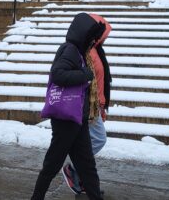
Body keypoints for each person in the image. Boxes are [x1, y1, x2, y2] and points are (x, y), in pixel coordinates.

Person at [31, 13, 106, 200]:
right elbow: (58, 74)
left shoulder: (79, 52)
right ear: (84, 35)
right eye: (91, 39)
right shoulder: (70, 50)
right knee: (52, 164)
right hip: (66, 120)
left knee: (87, 166)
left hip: (77, 119)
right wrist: (85, 75)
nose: (92, 43)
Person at [62, 14, 112, 194]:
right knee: (98, 139)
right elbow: (89, 82)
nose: (105, 37)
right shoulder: (84, 51)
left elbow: (101, 80)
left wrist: (102, 105)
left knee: (92, 142)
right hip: (87, 106)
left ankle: (83, 180)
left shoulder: (97, 50)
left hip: (95, 105)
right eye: (104, 34)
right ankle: (74, 169)